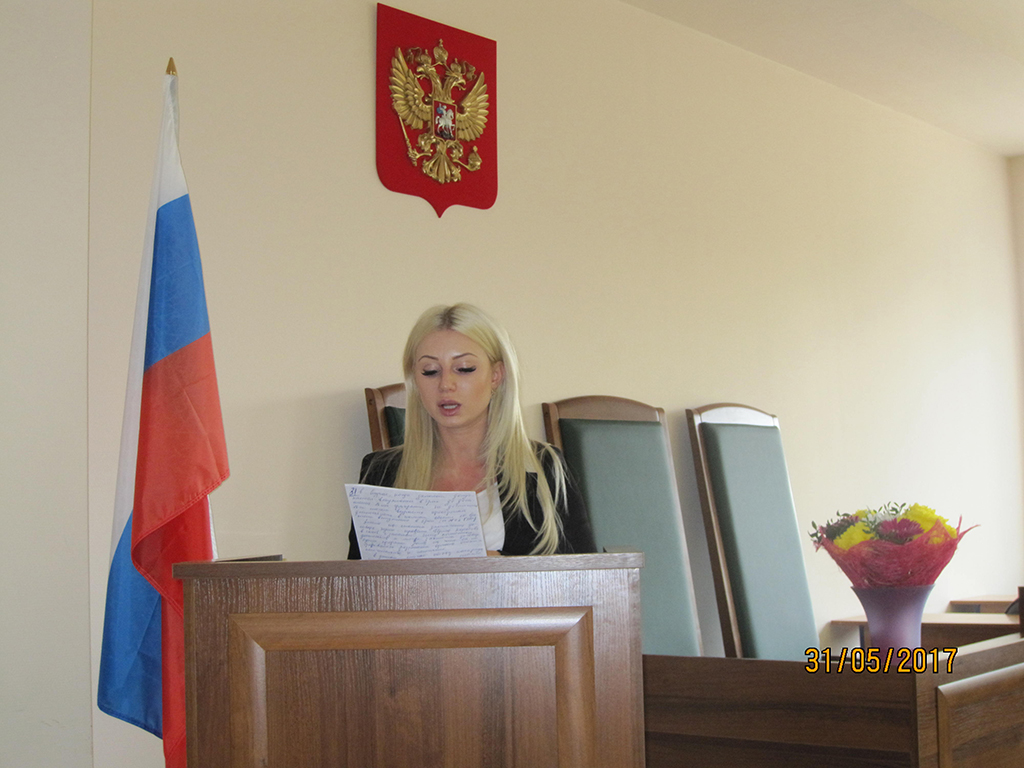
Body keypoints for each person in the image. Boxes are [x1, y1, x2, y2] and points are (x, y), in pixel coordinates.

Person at [349, 303, 596, 558]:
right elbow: (354, 580)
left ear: (496, 375)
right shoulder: (380, 473)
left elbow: (587, 577)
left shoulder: (544, 468)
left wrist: (498, 567)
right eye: (430, 371)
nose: (446, 384)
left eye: (464, 369)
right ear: (415, 380)